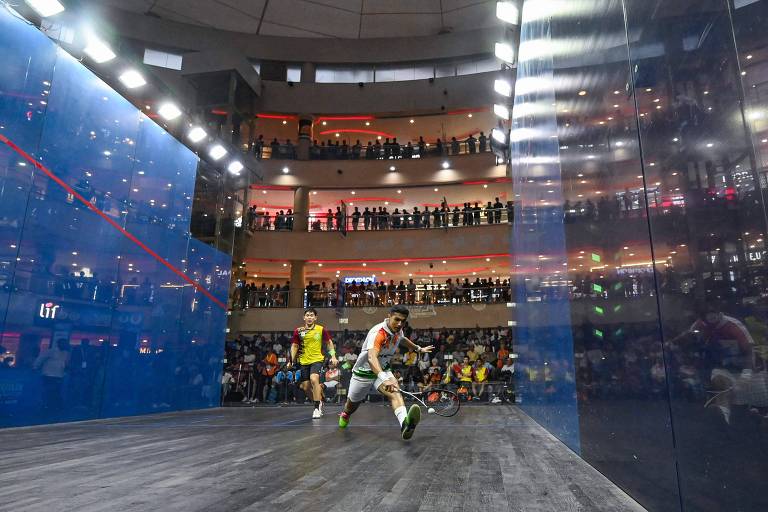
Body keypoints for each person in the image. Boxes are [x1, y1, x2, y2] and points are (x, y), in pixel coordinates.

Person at [338, 306, 434, 440]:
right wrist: (384, 378)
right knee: (352, 405)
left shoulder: (397, 330)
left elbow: (403, 339)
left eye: (403, 321)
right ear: (389, 316)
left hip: (383, 369)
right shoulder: (378, 333)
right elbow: (372, 358)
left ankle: (405, 424)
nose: (400, 324)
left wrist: (418, 348)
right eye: (397, 320)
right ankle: (345, 414)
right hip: (364, 372)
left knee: (395, 393)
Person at [289, 308, 338, 418]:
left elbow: (329, 343)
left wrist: (333, 356)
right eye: (308, 315)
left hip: (317, 359)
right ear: (304, 317)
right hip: (303, 361)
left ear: (315, 318)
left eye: (312, 315)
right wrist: (291, 360)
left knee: (314, 379)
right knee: (305, 387)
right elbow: (294, 346)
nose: (310, 317)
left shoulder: (321, 330)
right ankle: (319, 401)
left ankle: (316, 408)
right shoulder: (299, 331)